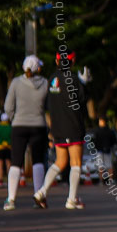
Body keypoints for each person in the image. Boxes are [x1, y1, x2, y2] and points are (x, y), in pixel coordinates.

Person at [34, 51, 89, 209]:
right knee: (76, 162)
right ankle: (72, 199)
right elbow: (82, 100)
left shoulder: (51, 79)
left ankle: (42, 191)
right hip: (73, 126)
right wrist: (84, 84)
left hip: (57, 127)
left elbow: (46, 104)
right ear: (72, 62)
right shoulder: (73, 79)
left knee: (60, 161)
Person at [3, 56, 50, 211]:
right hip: (39, 126)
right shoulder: (44, 83)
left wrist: (14, 118)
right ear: (38, 69)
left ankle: (11, 199)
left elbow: (8, 106)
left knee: (16, 161)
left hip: (19, 125)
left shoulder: (16, 82)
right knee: (38, 161)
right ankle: (38, 196)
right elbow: (48, 106)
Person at [91, 117, 117, 184]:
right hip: (107, 150)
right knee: (109, 166)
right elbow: (114, 141)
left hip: (99, 150)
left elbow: (94, 141)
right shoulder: (110, 131)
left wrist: (95, 147)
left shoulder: (97, 131)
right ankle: (110, 180)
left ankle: (101, 181)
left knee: (100, 166)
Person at [0, 113, 12, 186]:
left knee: (0, 164)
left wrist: (1, 142)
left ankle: (0, 179)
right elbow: (12, 137)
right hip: (8, 147)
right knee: (8, 164)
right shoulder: (10, 128)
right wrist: (7, 143)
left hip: (0, 147)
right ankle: (9, 179)